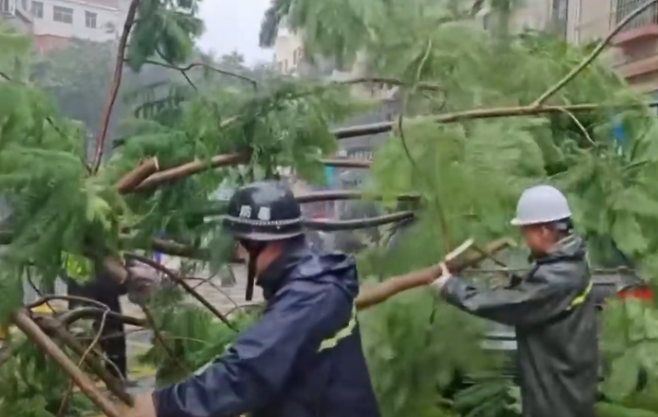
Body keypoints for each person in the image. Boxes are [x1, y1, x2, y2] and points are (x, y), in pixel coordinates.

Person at [126, 181, 381, 417]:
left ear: (261, 242)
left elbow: (249, 370)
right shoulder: (307, 282)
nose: (239, 253)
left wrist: (164, 405)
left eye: (241, 243)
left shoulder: (312, 293)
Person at [431, 184, 597, 417]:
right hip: (567, 380)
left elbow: (516, 305)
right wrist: (516, 282)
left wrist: (449, 287)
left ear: (544, 231)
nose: (524, 240)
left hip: (557, 390)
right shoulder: (571, 260)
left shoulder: (558, 276)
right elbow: (543, 298)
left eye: (526, 232)